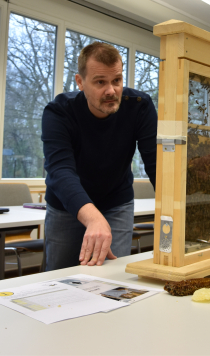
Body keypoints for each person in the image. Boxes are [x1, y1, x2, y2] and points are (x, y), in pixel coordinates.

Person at [42, 42, 157, 270]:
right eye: (100, 82)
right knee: (58, 280)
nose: (111, 91)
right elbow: (60, 170)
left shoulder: (139, 107)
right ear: (80, 82)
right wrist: (93, 217)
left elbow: (157, 165)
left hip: (116, 202)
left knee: (113, 278)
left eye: (117, 80)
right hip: (67, 206)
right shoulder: (59, 111)